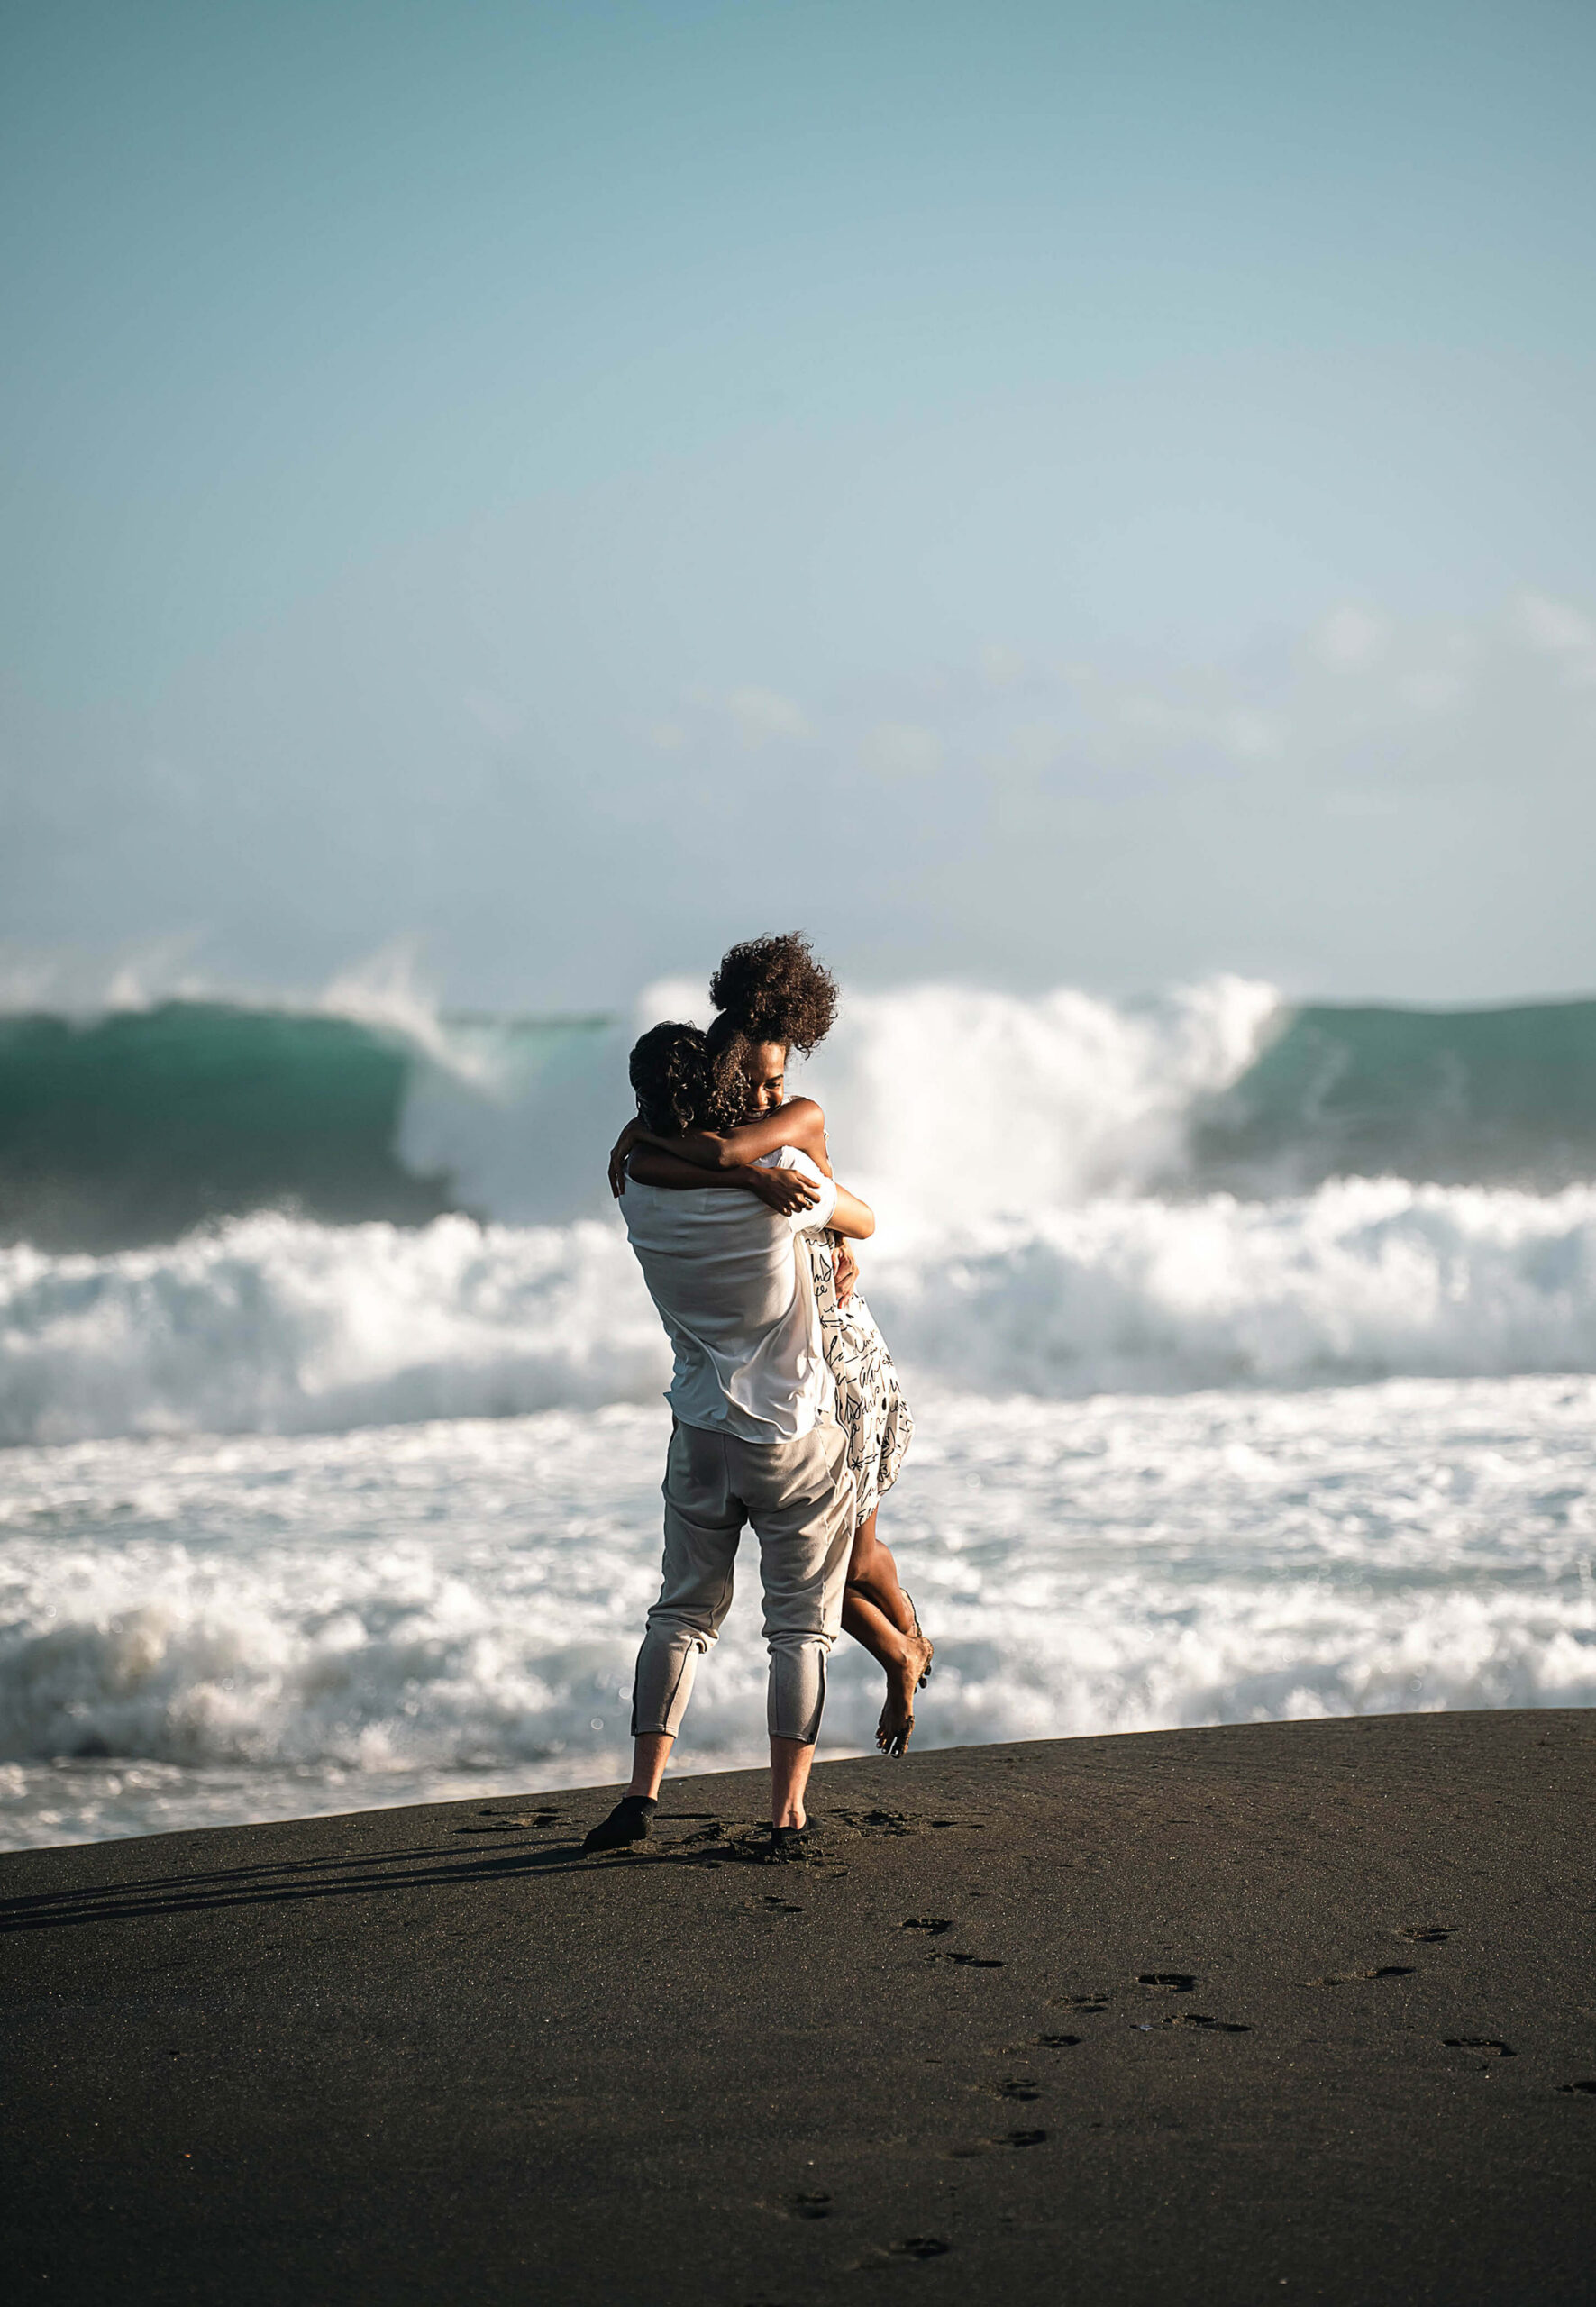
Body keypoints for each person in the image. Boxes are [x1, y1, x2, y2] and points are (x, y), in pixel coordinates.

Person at [607, 933, 932, 1760]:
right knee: (821, 1560)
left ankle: (908, 1645)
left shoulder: (796, 1121)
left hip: (846, 1363)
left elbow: (729, 1158)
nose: (764, 1093)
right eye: (749, 1080)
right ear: (715, 1077)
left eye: (776, 1078)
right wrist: (685, 1156)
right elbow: (708, 1154)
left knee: (853, 1558)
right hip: (792, 1373)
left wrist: (658, 1146)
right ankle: (904, 1652)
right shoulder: (737, 1144)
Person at [584, 1017, 878, 1857]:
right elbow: (862, 1220)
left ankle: (640, 1796)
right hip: (791, 1434)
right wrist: (777, 1178)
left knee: (679, 1614)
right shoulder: (781, 1176)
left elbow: (661, 1149)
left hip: (698, 1429)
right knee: (798, 1629)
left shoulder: (634, 1179)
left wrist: (646, 1132)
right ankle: (786, 1811)